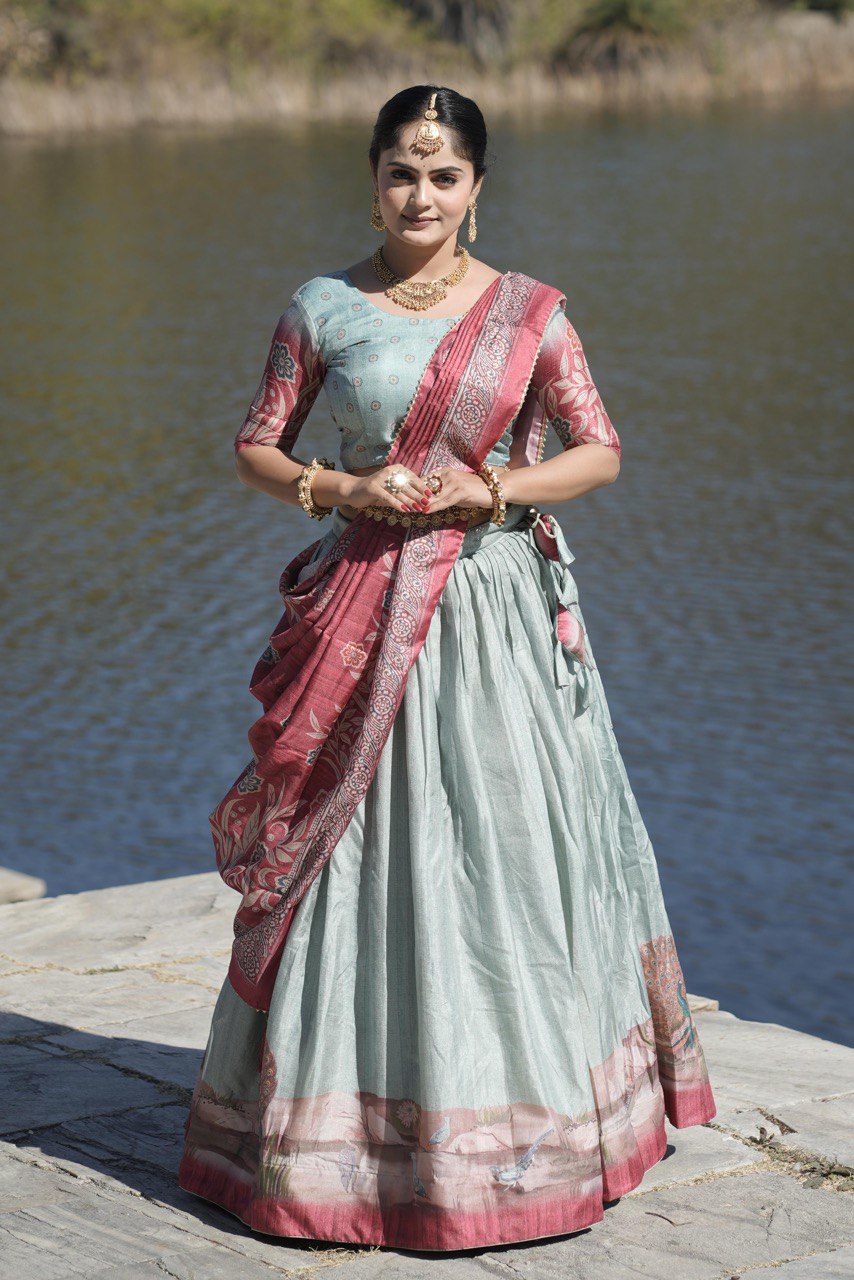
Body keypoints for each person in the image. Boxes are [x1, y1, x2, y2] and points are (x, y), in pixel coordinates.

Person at [177, 84, 716, 1252]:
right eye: (399, 170)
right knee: (351, 845)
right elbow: (256, 446)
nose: (418, 194)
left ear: (476, 188)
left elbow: (598, 451)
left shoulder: (529, 312)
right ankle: (330, 1141)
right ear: (371, 177)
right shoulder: (323, 308)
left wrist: (492, 492)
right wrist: (340, 488)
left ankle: (526, 1133)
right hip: (361, 607)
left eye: (442, 173)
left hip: (489, 615)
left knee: (503, 850)